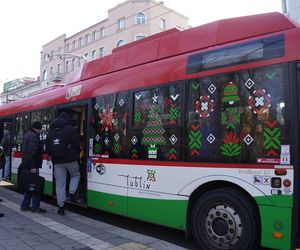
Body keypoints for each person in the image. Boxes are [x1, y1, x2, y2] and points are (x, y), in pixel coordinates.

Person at [47, 112, 80, 215]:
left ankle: (61, 207)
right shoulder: (70, 129)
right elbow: (77, 144)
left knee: (60, 184)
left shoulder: (50, 132)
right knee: (76, 175)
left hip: (57, 162)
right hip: (70, 160)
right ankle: (71, 193)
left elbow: (48, 148)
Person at [20, 121, 46, 213]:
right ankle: (35, 206)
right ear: (37, 128)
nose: (40, 131)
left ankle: (25, 205)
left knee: (29, 185)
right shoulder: (33, 136)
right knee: (35, 187)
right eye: (40, 129)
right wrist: (33, 166)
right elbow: (31, 152)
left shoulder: (28, 134)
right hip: (31, 166)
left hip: (27, 165)